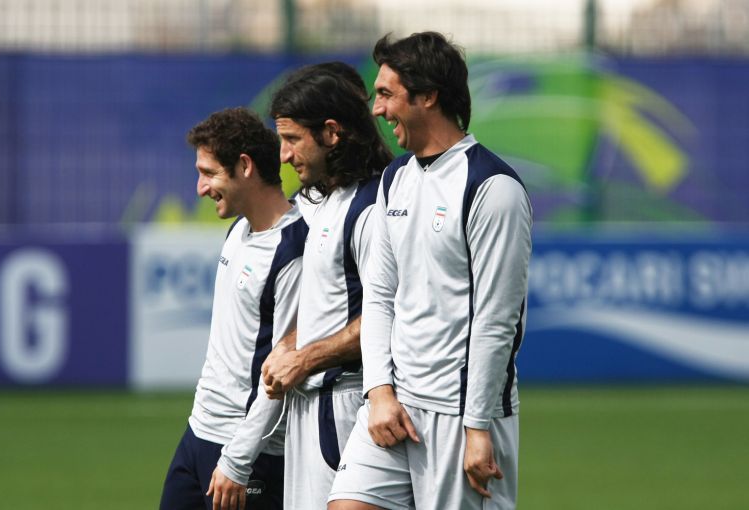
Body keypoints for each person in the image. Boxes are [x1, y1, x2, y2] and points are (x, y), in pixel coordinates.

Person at [329, 32, 533, 510]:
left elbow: (496, 320)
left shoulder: (493, 188)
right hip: (395, 405)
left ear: (427, 96)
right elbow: (380, 296)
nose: (377, 109)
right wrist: (380, 391)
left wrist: (477, 426)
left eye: (386, 94)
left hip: (461, 414)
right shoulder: (394, 179)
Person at [159, 107, 308, 510]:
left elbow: (284, 369)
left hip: (246, 454)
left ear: (244, 166)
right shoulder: (238, 229)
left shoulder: (293, 250)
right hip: (198, 433)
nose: (200, 188)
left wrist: (238, 459)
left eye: (209, 173)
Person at [261, 62, 393, 510]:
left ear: (332, 133)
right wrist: (290, 345)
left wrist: (305, 358)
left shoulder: (370, 209)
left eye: (292, 139)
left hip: (347, 401)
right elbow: (330, 307)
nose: (283, 155)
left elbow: (384, 316)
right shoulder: (325, 200)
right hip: (312, 400)